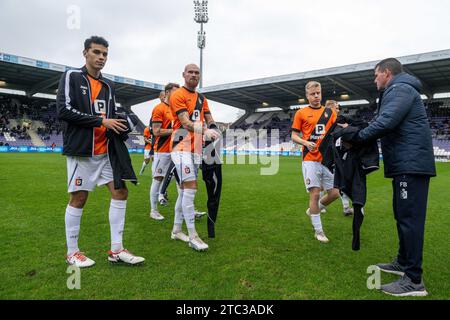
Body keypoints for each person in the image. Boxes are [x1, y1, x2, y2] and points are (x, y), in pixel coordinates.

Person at [57, 36, 145, 267]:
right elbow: (64, 110)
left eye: (105, 54)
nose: (101, 57)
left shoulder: (108, 86)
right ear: (85, 53)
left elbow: (111, 114)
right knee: (79, 197)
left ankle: (116, 250)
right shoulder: (72, 76)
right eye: (96, 52)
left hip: (106, 151)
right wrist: (101, 121)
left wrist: (120, 124)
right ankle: (72, 252)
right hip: (82, 152)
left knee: (121, 192)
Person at [351, 58, 436, 296]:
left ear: (386, 73)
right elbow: (384, 121)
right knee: (402, 215)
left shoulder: (400, 89)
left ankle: (414, 281)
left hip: (411, 165)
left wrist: (356, 138)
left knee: (409, 219)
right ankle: (403, 262)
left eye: (376, 74)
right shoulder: (399, 89)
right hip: (405, 164)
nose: (374, 79)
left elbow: (386, 122)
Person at [169, 63, 220, 251]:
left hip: (196, 147)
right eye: (190, 72)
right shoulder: (178, 95)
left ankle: (176, 229)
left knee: (184, 191)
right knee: (191, 188)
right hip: (181, 146)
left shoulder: (201, 98)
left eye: (197, 73)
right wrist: (206, 130)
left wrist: (213, 127)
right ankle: (193, 236)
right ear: (183, 75)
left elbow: (208, 116)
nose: (193, 75)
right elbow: (185, 122)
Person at [291, 81, 340, 243]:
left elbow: (336, 132)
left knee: (334, 193)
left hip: (326, 160)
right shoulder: (301, 113)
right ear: (307, 95)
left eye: (318, 93)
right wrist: (305, 143)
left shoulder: (330, 113)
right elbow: (294, 136)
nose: (316, 96)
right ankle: (318, 231)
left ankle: (314, 210)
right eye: (313, 94)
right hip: (309, 159)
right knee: (315, 193)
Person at [149, 83, 178, 220]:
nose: (177, 95)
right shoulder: (159, 108)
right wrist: (176, 131)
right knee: (158, 179)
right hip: (163, 151)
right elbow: (156, 131)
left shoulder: (176, 109)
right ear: (166, 93)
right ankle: (153, 210)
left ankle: (187, 210)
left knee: (182, 180)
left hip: (177, 151)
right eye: (174, 92)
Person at [324, 100, 354, 216]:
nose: (338, 110)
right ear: (330, 109)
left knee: (340, 182)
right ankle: (317, 206)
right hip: (329, 158)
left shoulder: (338, 122)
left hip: (337, 158)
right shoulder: (327, 123)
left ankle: (346, 207)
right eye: (336, 108)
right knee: (329, 184)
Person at [139, 91, 165, 175]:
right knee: (147, 161)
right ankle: (142, 170)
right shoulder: (147, 129)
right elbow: (145, 138)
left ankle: (154, 175)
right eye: (163, 96)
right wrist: (150, 141)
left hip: (158, 145)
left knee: (155, 160)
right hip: (148, 147)